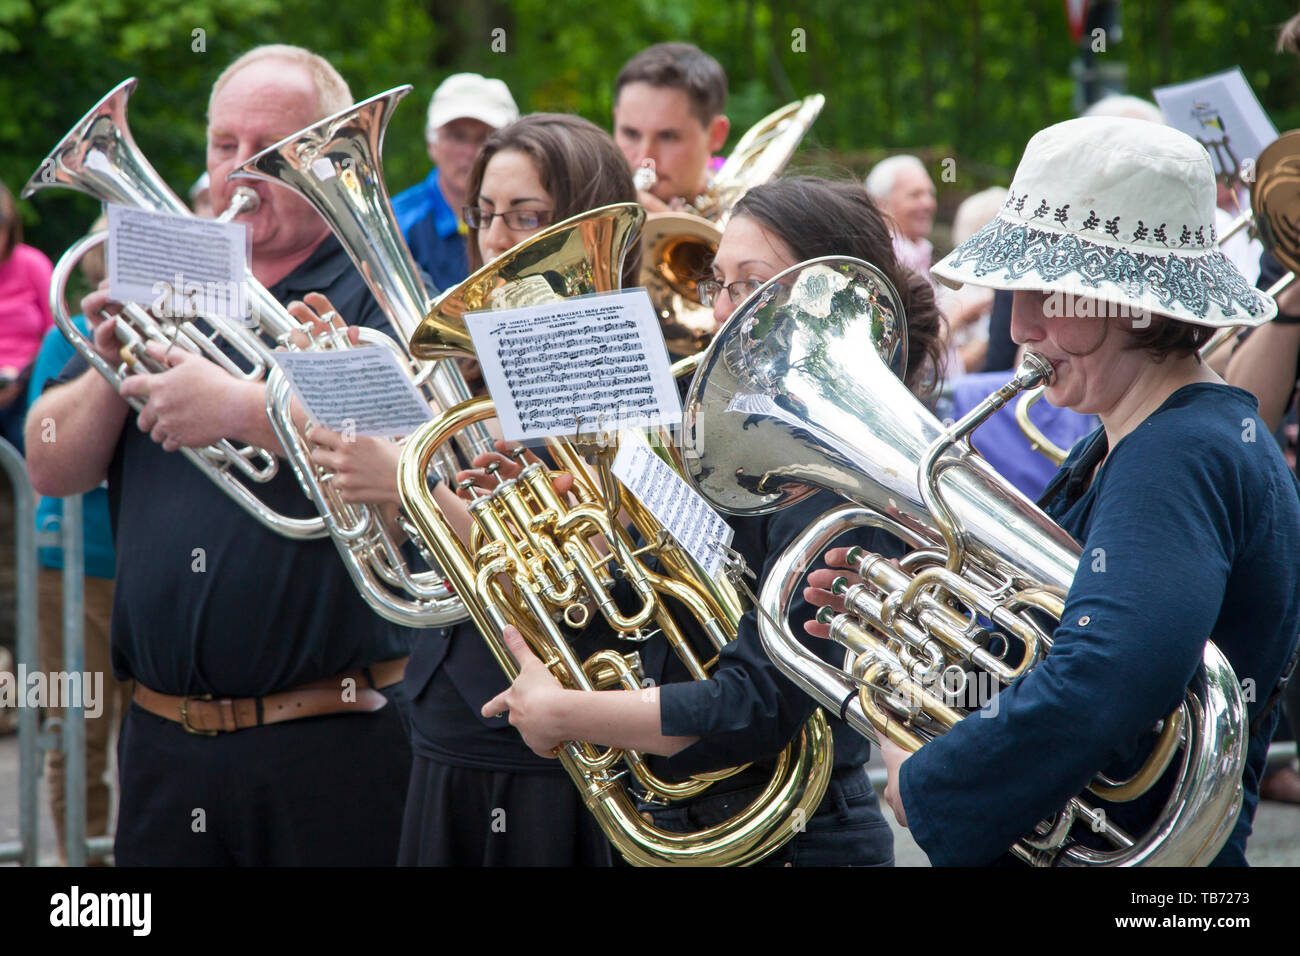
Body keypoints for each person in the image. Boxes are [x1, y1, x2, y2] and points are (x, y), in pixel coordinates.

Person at [811, 116, 1300, 866]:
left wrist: (933, 778)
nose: (1021, 322)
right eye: (1015, 289)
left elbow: (1107, 679)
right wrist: (897, 660)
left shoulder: (1177, 454)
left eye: (1054, 292)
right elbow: (1047, 647)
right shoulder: (1126, 437)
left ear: (1141, 303)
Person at [481, 176, 947, 867]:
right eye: (719, 285)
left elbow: (755, 703)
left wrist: (569, 715)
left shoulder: (845, 476)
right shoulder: (728, 444)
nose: (723, 313)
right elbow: (638, 622)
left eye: (750, 284)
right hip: (694, 823)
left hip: (799, 838)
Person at [24, 43, 414, 866]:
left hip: (334, 743)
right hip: (165, 744)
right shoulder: (172, 268)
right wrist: (112, 368)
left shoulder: (372, 280)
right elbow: (50, 464)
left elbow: (412, 454)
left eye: (267, 152)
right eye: (222, 145)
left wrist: (242, 409)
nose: (240, 171)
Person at [296, 113, 640, 865]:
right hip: (448, 714)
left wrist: (408, 482)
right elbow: (413, 557)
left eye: (528, 216)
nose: (496, 236)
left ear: (583, 218)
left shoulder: (610, 365)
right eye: (485, 215)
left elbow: (587, 582)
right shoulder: (468, 363)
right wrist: (357, 417)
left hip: (561, 735)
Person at [24, 215, 131, 864]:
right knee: (76, 733)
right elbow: (46, 448)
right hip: (71, 567)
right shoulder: (64, 341)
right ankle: (84, 879)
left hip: (143, 568)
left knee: (142, 731)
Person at [390, 73, 519, 292]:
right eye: (457, 136)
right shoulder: (396, 223)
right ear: (432, 144)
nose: (470, 152)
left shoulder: (539, 217)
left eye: (486, 138)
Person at [612, 42, 730, 214]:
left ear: (716, 134)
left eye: (668, 137)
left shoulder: (743, 221)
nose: (644, 160)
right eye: (630, 133)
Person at [0, 178, 54, 452]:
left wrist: (20, 376)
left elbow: (55, 333)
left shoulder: (32, 264)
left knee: (36, 433)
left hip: (27, 381)